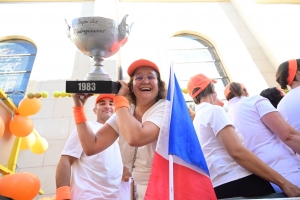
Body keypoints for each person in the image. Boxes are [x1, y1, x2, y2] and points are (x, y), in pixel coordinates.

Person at [187, 74, 300, 199]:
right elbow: (237, 152)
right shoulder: (214, 111)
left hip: (219, 185)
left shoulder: (197, 120)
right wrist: (283, 183)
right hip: (239, 180)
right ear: (211, 88)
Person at [71, 59, 167, 200]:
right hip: (138, 189)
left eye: (151, 77)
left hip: (165, 187)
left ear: (159, 86)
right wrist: (78, 108)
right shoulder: (124, 113)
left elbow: (136, 137)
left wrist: (120, 99)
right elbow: (91, 146)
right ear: (131, 87)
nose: (145, 81)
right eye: (139, 77)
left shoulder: (165, 107)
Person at [224, 82, 300, 193]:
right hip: (289, 171)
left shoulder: (226, 117)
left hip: (265, 180)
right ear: (244, 91)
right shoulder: (254, 101)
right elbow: (288, 136)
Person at [55, 94, 124, 200]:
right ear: (94, 110)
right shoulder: (87, 128)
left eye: (111, 103)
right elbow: (66, 159)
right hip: (88, 195)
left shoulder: (121, 134)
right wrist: (63, 196)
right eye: (102, 104)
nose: (107, 106)